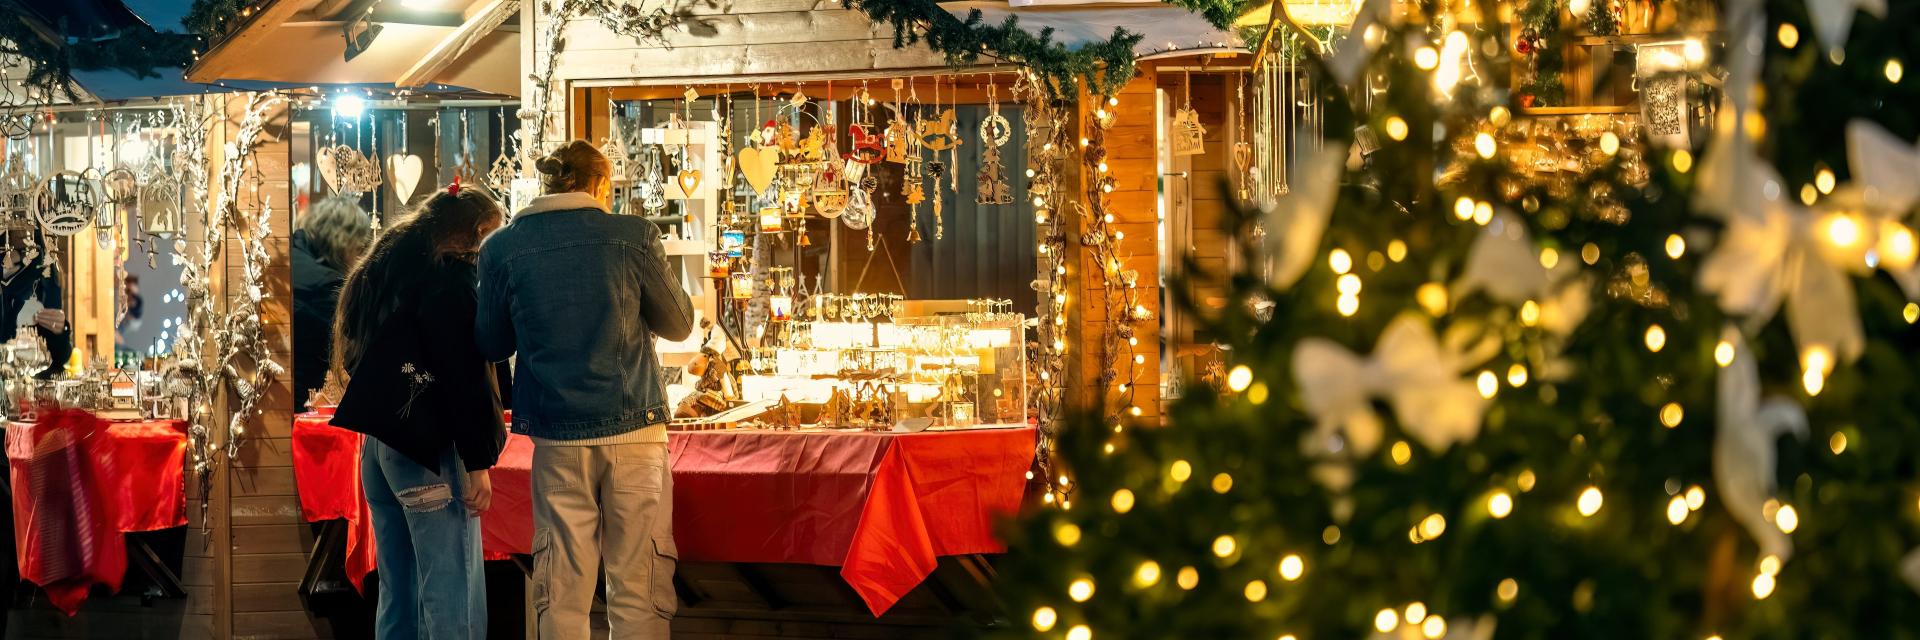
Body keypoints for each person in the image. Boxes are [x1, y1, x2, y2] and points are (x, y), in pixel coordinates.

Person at [476, 140, 693, 638]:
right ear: (601, 185)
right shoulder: (633, 236)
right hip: (635, 431)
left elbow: (490, 342)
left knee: (562, 591)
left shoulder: (502, 249)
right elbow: (679, 324)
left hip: (557, 436)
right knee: (638, 588)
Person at [329, 185, 507, 640]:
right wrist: (479, 461)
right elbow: (464, 375)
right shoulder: (451, 281)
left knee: (399, 594)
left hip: (380, 448)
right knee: (452, 598)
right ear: (476, 233)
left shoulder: (388, 266)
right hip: (429, 452)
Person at [292, 197, 373, 409]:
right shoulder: (327, 286)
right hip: (294, 398)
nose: (361, 258)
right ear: (345, 242)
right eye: (360, 248)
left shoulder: (292, 256)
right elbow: (354, 353)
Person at [1, 229, 72, 379]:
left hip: (32, 382)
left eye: (29, 220)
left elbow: (60, 357)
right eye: (16, 218)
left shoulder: (45, 272)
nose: (23, 227)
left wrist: (60, 331)